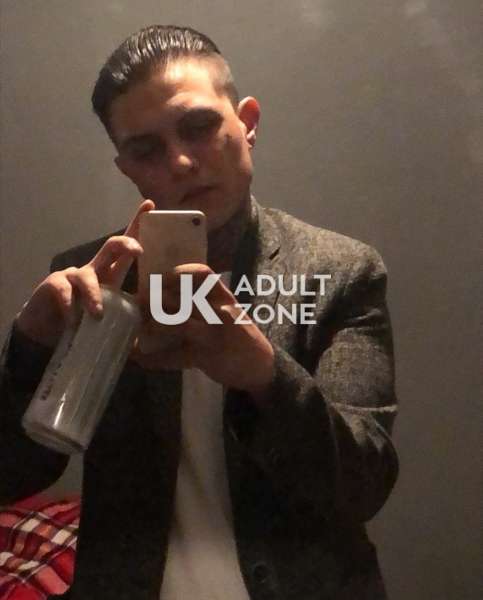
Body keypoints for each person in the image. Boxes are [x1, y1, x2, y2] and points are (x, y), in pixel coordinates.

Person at [0, 25, 399, 600]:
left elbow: (362, 487)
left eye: (199, 126)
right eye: (147, 149)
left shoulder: (339, 272)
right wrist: (29, 349)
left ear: (248, 123)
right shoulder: (94, 281)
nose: (182, 161)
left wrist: (265, 375)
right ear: (127, 167)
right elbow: (13, 475)